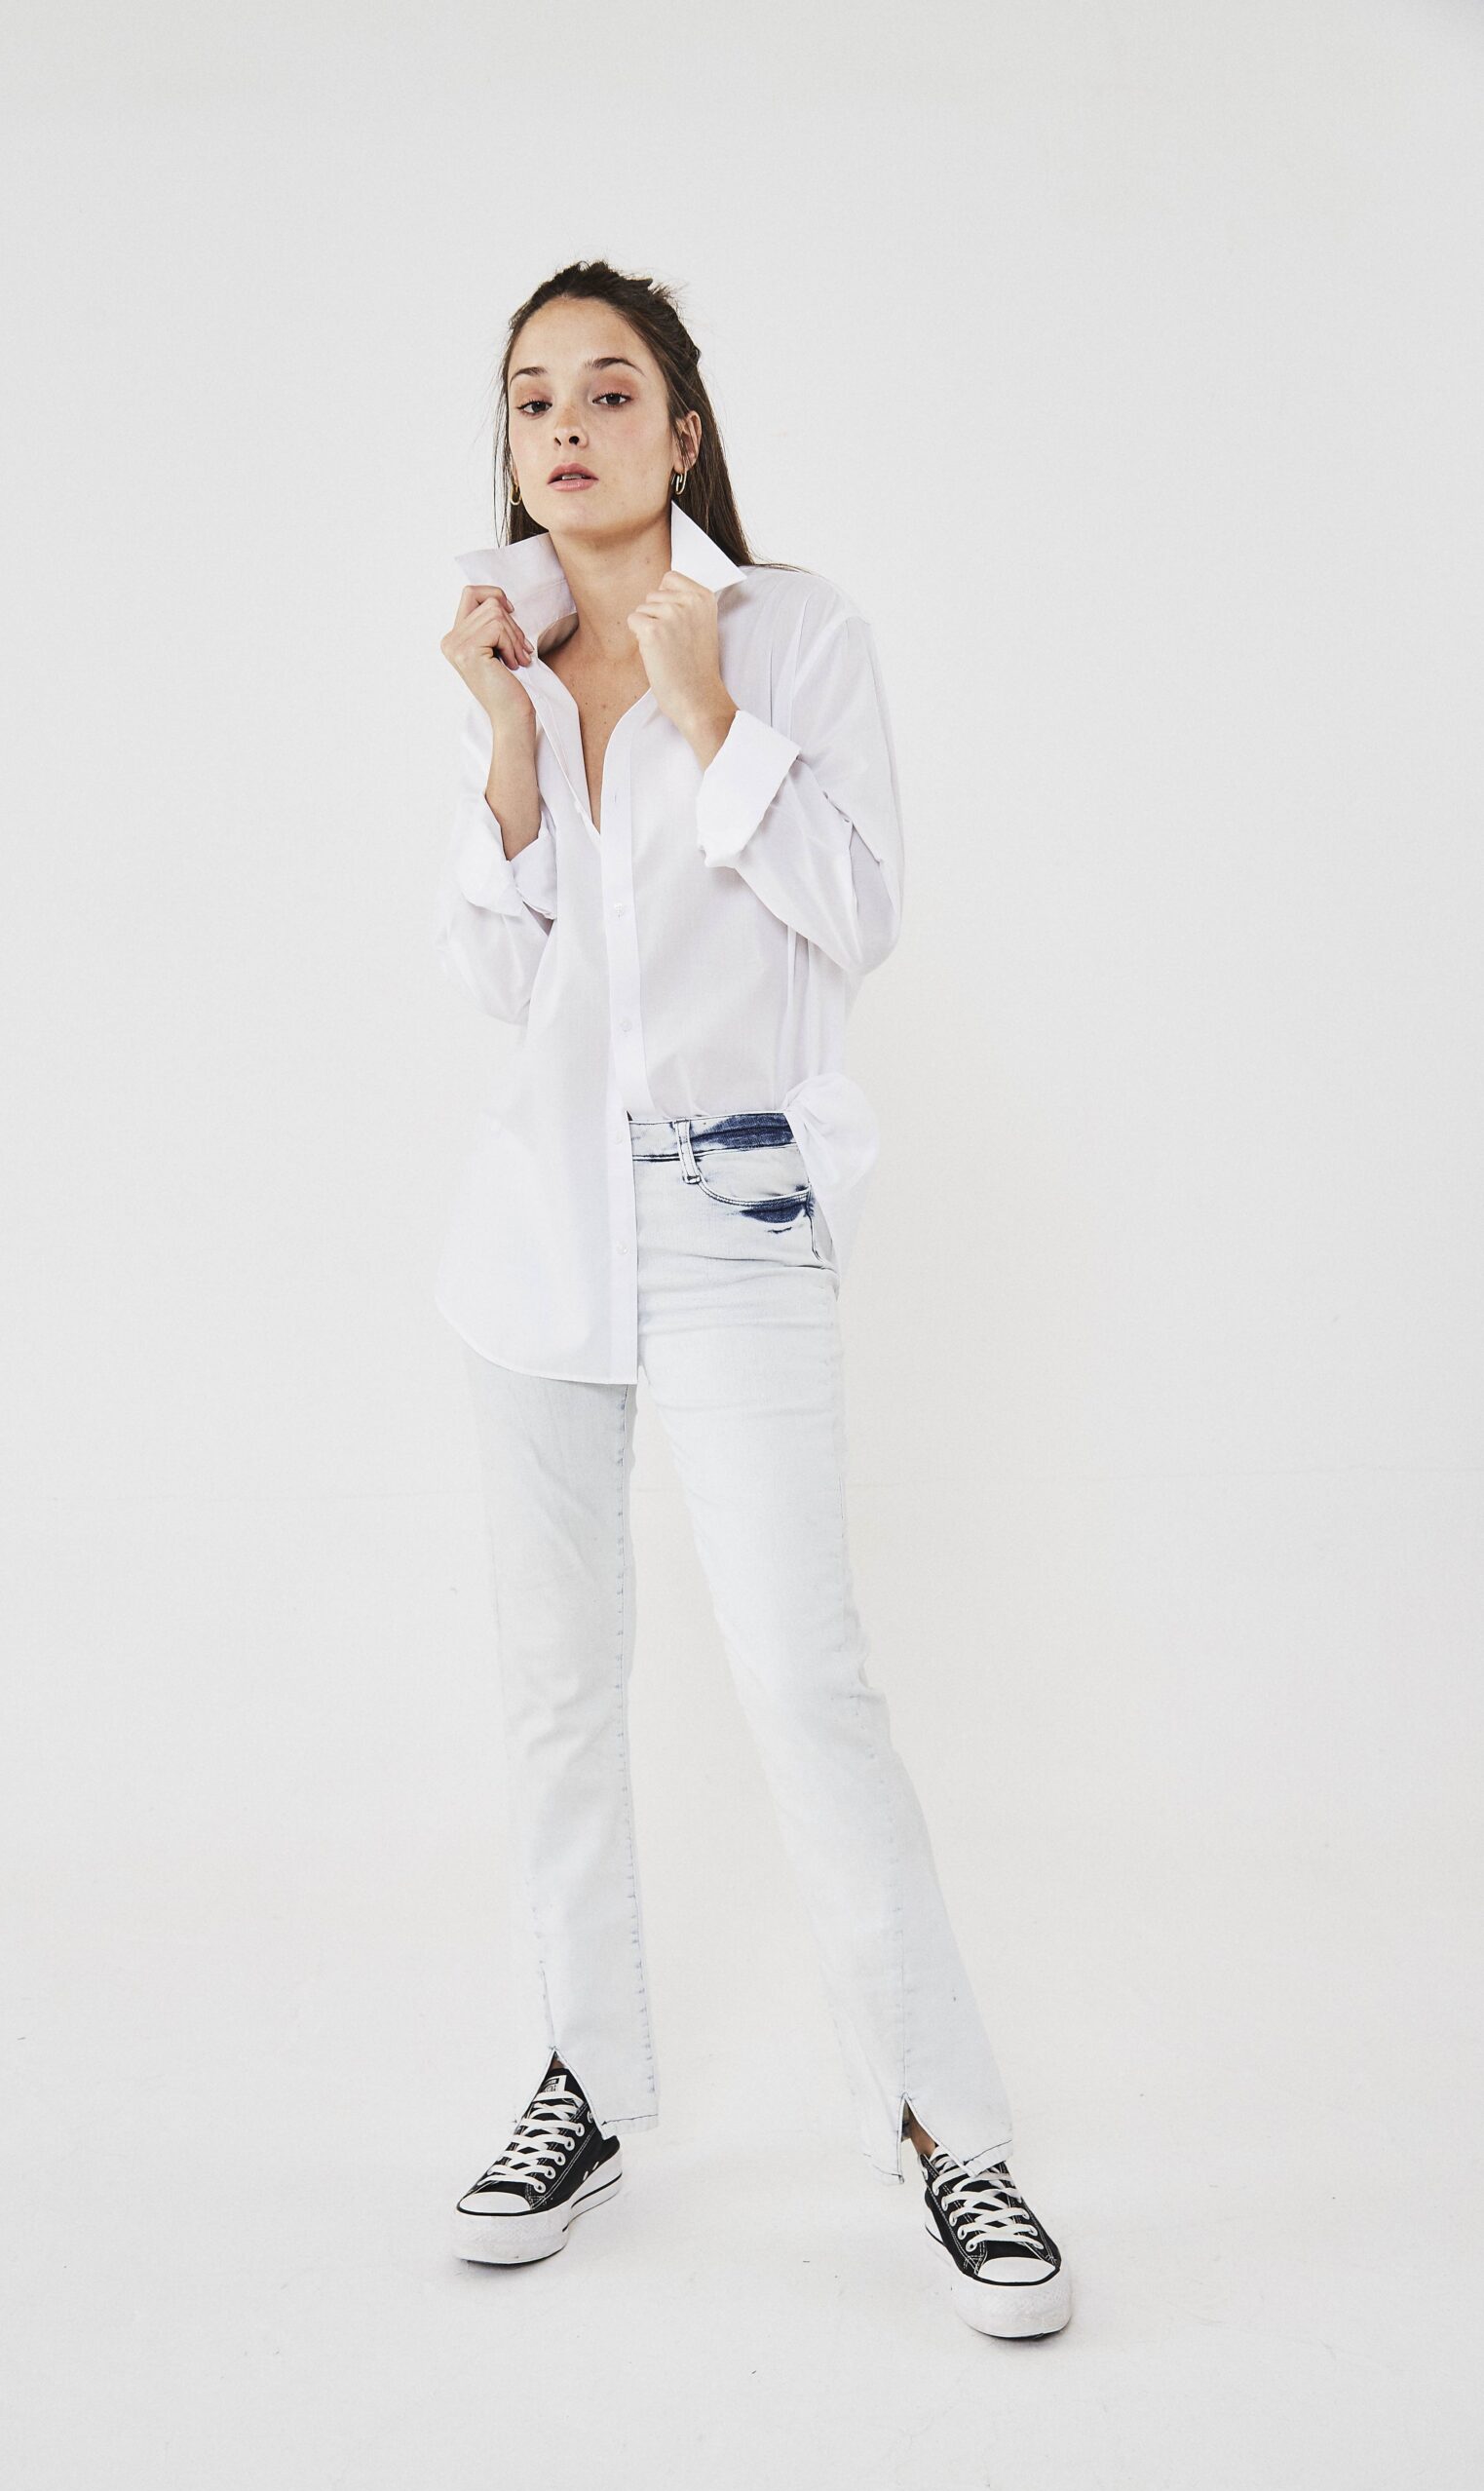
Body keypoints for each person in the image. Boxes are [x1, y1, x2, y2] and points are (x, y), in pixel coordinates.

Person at [431, 259, 1072, 2340]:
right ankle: (586, 2082)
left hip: (732, 1209)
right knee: (557, 1688)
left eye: (609, 390)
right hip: (538, 1223)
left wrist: (709, 712)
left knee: (806, 1683)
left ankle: (945, 2128)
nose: (566, 426)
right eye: (533, 396)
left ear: (683, 429)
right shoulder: (507, 647)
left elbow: (856, 916)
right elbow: (503, 980)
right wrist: (508, 742)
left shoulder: (793, 632)